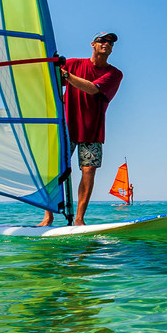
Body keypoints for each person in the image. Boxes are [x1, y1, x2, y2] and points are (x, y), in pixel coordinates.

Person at [39, 32, 123, 227]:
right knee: (53, 170)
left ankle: (79, 219)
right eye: (102, 40)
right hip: (67, 127)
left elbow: (92, 89)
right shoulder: (74, 64)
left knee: (88, 171)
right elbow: (43, 73)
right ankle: (48, 217)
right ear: (93, 44)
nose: (107, 44)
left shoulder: (115, 74)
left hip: (92, 131)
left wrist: (66, 76)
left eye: (110, 42)